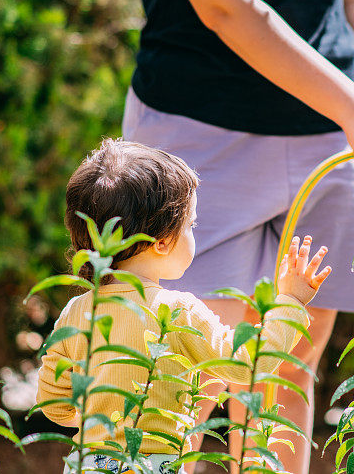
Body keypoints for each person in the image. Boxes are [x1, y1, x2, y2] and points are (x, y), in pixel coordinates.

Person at [122, 0, 354, 471]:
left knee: (289, 369)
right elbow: (225, 4)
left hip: (331, 143)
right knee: (180, 377)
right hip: (198, 134)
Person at [35, 139, 331, 473]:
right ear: (161, 242)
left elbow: (52, 402)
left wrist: (103, 421)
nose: (193, 233)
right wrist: (290, 301)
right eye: (189, 224)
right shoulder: (177, 311)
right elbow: (249, 365)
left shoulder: (76, 312)